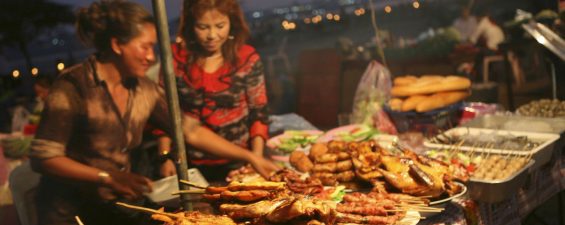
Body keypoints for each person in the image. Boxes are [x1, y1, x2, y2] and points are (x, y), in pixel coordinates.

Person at [29, 1, 278, 225]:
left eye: (153, 48)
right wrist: (107, 177)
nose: (151, 57)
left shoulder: (144, 89)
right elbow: (44, 158)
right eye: (145, 47)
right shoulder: (72, 86)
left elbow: (189, 130)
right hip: (69, 212)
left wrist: (251, 156)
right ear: (117, 45)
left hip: (114, 206)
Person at [157, 0, 270, 181]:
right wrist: (165, 156)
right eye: (203, 27)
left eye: (220, 26)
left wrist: (255, 159)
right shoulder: (176, 58)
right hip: (190, 163)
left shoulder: (246, 58)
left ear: (231, 23)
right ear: (190, 25)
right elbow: (164, 113)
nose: (212, 35)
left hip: (241, 161)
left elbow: (259, 113)